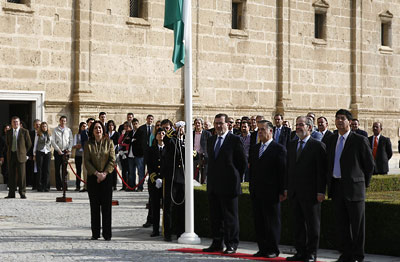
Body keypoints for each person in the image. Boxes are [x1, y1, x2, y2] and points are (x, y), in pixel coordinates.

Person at [325, 109, 374, 262]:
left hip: (354, 189)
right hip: (337, 187)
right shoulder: (332, 140)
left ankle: (358, 256)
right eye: (337, 118)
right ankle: (345, 254)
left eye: (342, 118)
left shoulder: (359, 140)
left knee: (357, 225)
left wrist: (362, 184)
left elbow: (369, 165)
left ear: (350, 122)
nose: (339, 121)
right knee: (342, 224)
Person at [203, 113, 247, 254]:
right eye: (216, 123)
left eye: (221, 123)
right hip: (214, 185)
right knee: (215, 217)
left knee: (230, 218)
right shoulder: (211, 140)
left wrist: (234, 178)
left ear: (227, 124)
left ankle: (231, 244)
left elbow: (242, 163)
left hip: (229, 186)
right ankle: (217, 243)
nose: (218, 126)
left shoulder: (234, 140)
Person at [285, 116, 327, 262]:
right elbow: (289, 168)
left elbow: (322, 172)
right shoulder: (291, 144)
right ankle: (300, 251)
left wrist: (321, 191)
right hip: (295, 192)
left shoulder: (317, 146)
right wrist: (286, 188)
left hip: (311, 193)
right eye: (296, 125)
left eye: (301, 125)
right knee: (298, 224)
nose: (298, 127)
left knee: (312, 225)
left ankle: (311, 253)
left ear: (309, 127)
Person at [249, 120, 286, 258]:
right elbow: (252, 171)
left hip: (272, 192)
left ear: (271, 131)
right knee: (259, 222)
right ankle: (262, 248)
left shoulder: (279, 149)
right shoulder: (255, 148)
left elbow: (282, 172)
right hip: (257, 191)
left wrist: (283, 190)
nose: (260, 132)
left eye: (262, 129)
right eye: (258, 130)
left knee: (272, 222)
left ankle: (272, 249)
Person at [84, 120, 116, 241]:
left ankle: (107, 234)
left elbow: (112, 160)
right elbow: (86, 161)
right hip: (93, 178)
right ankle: (95, 233)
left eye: (100, 128)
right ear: (92, 131)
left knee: (107, 207)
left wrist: (104, 173)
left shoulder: (109, 142)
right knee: (95, 206)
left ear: (103, 130)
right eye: (96, 128)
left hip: (107, 178)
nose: (98, 130)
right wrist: (97, 173)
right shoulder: (88, 144)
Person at [160, 119, 186, 242]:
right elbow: (166, 139)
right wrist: (174, 130)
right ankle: (168, 233)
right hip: (172, 177)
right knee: (169, 206)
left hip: (182, 178)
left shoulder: (186, 141)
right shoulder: (171, 141)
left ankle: (180, 231)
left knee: (181, 206)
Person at [5, 116, 32, 199]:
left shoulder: (24, 131)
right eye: (13, 122)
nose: (15, 123)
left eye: (16, 122)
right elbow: (7, 144)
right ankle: (11, 193)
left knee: (22, 175)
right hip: (11, 155)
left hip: (21, 156)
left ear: (19, 123)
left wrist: (23, 152)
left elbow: (29, 144)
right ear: (11, 123)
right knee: (11, 175)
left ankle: (22, 192)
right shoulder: (8, 132)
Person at [147, 128, 165, 237]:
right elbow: (149, 166)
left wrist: (164, 178)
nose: (161, 135)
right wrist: (155, 178)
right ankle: (155, 229)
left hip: (165, 181)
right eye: (159, 133)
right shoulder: (151, 149)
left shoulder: (168, 149)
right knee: (155, 206)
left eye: (163, 133)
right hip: (154, 182)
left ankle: (166, 228)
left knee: (167, 207)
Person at [51, 116, 73, 191]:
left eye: (64, 121)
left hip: (65, 152)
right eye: (62, 120)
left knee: (65, 170)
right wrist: (58, 149)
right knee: (57, 169)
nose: (63, 122)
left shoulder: (68, 130)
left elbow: (71, 140)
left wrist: (69, 149)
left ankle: (64, 185)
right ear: (59, 121)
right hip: (58, 152)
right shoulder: (55, 130)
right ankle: (58, 185)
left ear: (66, 122)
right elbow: (53, 141)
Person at [127, 118, 146, 191]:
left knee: (140, 172)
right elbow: (127, 140)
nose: (135, 125)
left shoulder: (141, 132)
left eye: (136, 124)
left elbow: (141, 142)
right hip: (131, 154)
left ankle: (140, 187)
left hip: (139, 155)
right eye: (133, 124)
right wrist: (133, 140)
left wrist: (133, 140)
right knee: (131, 172)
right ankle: (132, 186)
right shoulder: (131, 132)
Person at [33, 122, 52, 192]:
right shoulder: (38, 134)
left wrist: (50, 151)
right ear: (41, 127)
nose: (44, 127)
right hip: (39, 151)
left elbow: (50, 144)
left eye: (45, 126)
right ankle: (40, 186)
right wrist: (34, 154)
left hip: (47, 152)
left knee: (46, 169)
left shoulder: (49, 134)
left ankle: (46, 186)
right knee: (40, 169)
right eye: (43, 126)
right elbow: (35, 144)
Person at [193, 118, 212, 184]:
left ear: (202, 125)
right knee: (195, 175)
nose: (197, 124)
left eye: (199, 123)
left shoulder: (207, 134)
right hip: (194, 157)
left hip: (204, 157)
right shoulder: (191, 134)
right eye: (196, 123)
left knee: (204, 176)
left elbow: (211, 145)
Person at [79, 118, 94, 192]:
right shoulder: (84, 132)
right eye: (90, 122)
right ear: (87, 123)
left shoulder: (96, 131)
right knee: (85, 169)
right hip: (86, 152)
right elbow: (82, 142)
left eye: (92, 122)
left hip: (94, 152)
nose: (91, 124)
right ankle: (86, 185)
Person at [118, 121, 133, 191]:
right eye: (124, 126)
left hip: (128, 153)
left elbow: (128, 144)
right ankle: (124, 185)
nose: (125, 128)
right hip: (122, 153)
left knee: (129, 171)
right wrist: (122, 135)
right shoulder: (124, 134)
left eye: (127, 126)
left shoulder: (131, 133)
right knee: (124, 170)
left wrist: (123, 144)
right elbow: (119, 142)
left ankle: (129, 185)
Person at [27, 119, 41, 190]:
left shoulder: (43, 133)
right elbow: (28, 145)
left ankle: (39, 184)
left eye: (39, 124)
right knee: (33, 169)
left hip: (41, 154)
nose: (38, 126)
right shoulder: (30, 133)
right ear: (34, 125)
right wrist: (29, 154)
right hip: (32, 154)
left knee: (40, 169)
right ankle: (34, 184)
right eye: (36, 124)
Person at [73, 122, 87, 191]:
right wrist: (81, 145)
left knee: (86, 171)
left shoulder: (87, 134)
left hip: (85, 154)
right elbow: (74, 145)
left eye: (85, 126)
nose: (84, 127)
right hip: (78, 154)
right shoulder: (77, 135)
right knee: (78, 170)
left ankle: (86, 184)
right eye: (83, 126)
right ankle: (77, 185)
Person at [107, 120, 120, 190]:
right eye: (109, 125)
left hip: (114, 153)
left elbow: (116, 143)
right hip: (107, 153)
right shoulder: (106, 133)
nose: (110, 127)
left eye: (112, 125)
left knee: (114, 169)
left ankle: (114, 185)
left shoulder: (117, 134)